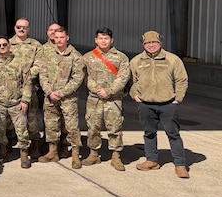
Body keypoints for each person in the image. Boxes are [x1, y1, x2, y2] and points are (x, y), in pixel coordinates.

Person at [129, 31, 190, 178]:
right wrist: (135, 95)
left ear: (160, 43)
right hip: (146, 104)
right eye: (147, 43)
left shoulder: (172, 60)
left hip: (168, 104)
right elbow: (132, 81)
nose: (151, 45)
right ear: (143, 44)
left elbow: (182, 80)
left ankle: (180, 164)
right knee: (149, 133)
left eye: (154, 42)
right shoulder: (136, 61)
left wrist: (177, 99)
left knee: (173, 134)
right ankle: (151, 160)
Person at [81, 27, 131, 171]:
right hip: (94, 99)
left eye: (106, 38)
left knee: (115, 127)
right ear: (96, 40)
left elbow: (123, 77)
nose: (103, 41)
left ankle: (116, 156)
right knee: (93, 127)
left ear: (111, 40)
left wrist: (109, 91)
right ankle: (93, 154)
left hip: (113, 99)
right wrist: (97, 90)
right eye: (100, 38)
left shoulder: (121, 58)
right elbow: (85, 77)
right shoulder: (88, 57)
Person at [36, 26, 84, 168]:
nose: (59, 40)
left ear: (67, 38)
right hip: (50, 97)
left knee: (71, 127)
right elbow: (42, 74)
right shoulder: (48, 54)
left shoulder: (75, 56)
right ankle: (53, 152)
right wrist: (49, 92)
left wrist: (61, 92)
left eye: (61, 37)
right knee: (51, 125)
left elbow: (77, 79)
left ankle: (75, 155)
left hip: (68, 98)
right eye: (56, 37)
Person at [0, 36, 32, 167]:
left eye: (4, 44)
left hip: (17, 103)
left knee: (21, 130)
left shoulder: (20, 63)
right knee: (0, 130)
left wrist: (25, 100)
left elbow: (27, 83)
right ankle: (3, 153)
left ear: (9, 45)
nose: (2, 47)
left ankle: (24, 155)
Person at [9, 17, 43, 153]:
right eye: (18, 27)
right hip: (12, 88)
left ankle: (35, 143)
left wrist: (28, 75)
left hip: (30, 87)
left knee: (31, 118)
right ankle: (11, 141)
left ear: (28, 29)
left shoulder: (35, 45)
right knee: (12, 117)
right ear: (15, 28)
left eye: (24, 27)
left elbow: (39, 64)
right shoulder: (8, 44)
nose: (21, 30)